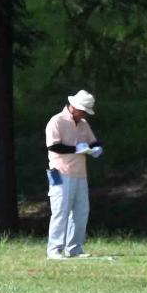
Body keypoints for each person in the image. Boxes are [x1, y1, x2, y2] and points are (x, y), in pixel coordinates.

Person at [44, 89, 102, 259]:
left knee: (81, 211)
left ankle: (74, 248)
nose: (84, 114)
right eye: (83, 111)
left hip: (80, 173)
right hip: (60, 172)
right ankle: (54, 249)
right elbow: (53, 146)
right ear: (74, 107)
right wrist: (76, 149)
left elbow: (94, 141)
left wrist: (96, 148)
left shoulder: (83, 124)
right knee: (60, 211)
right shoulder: (56, 121)